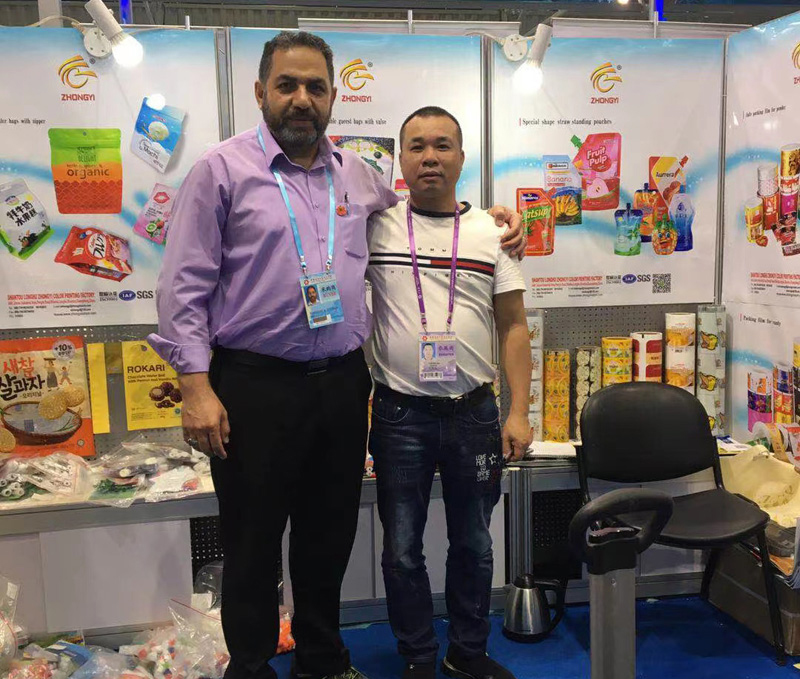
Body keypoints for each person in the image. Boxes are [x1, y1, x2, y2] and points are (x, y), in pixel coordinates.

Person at [149, 31, 524, 679]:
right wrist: (195, 384)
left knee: (327, 536)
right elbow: (182, 284)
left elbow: (426, 215)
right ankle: (251, 667)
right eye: (287, 85)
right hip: (253, 384)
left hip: (343, 386)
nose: (302, 99)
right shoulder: (220, 171)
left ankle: (322, 660)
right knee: (252, 539)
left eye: (315, 87)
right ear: (260, 92)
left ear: (331, 98)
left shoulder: (358, 175)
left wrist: (488, 218)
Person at [367, 107, 532, 679]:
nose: (429, 157)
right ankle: (417, 657)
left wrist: (519, 412)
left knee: (475, 544)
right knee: (401, 548)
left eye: (442, 145)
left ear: (462, 158)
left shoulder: (492, 231)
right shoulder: (374, 225)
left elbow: (513, 326)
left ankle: (467, 653)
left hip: (475, 414)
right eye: (416, 146)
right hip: (399, 415)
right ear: (401, 160)